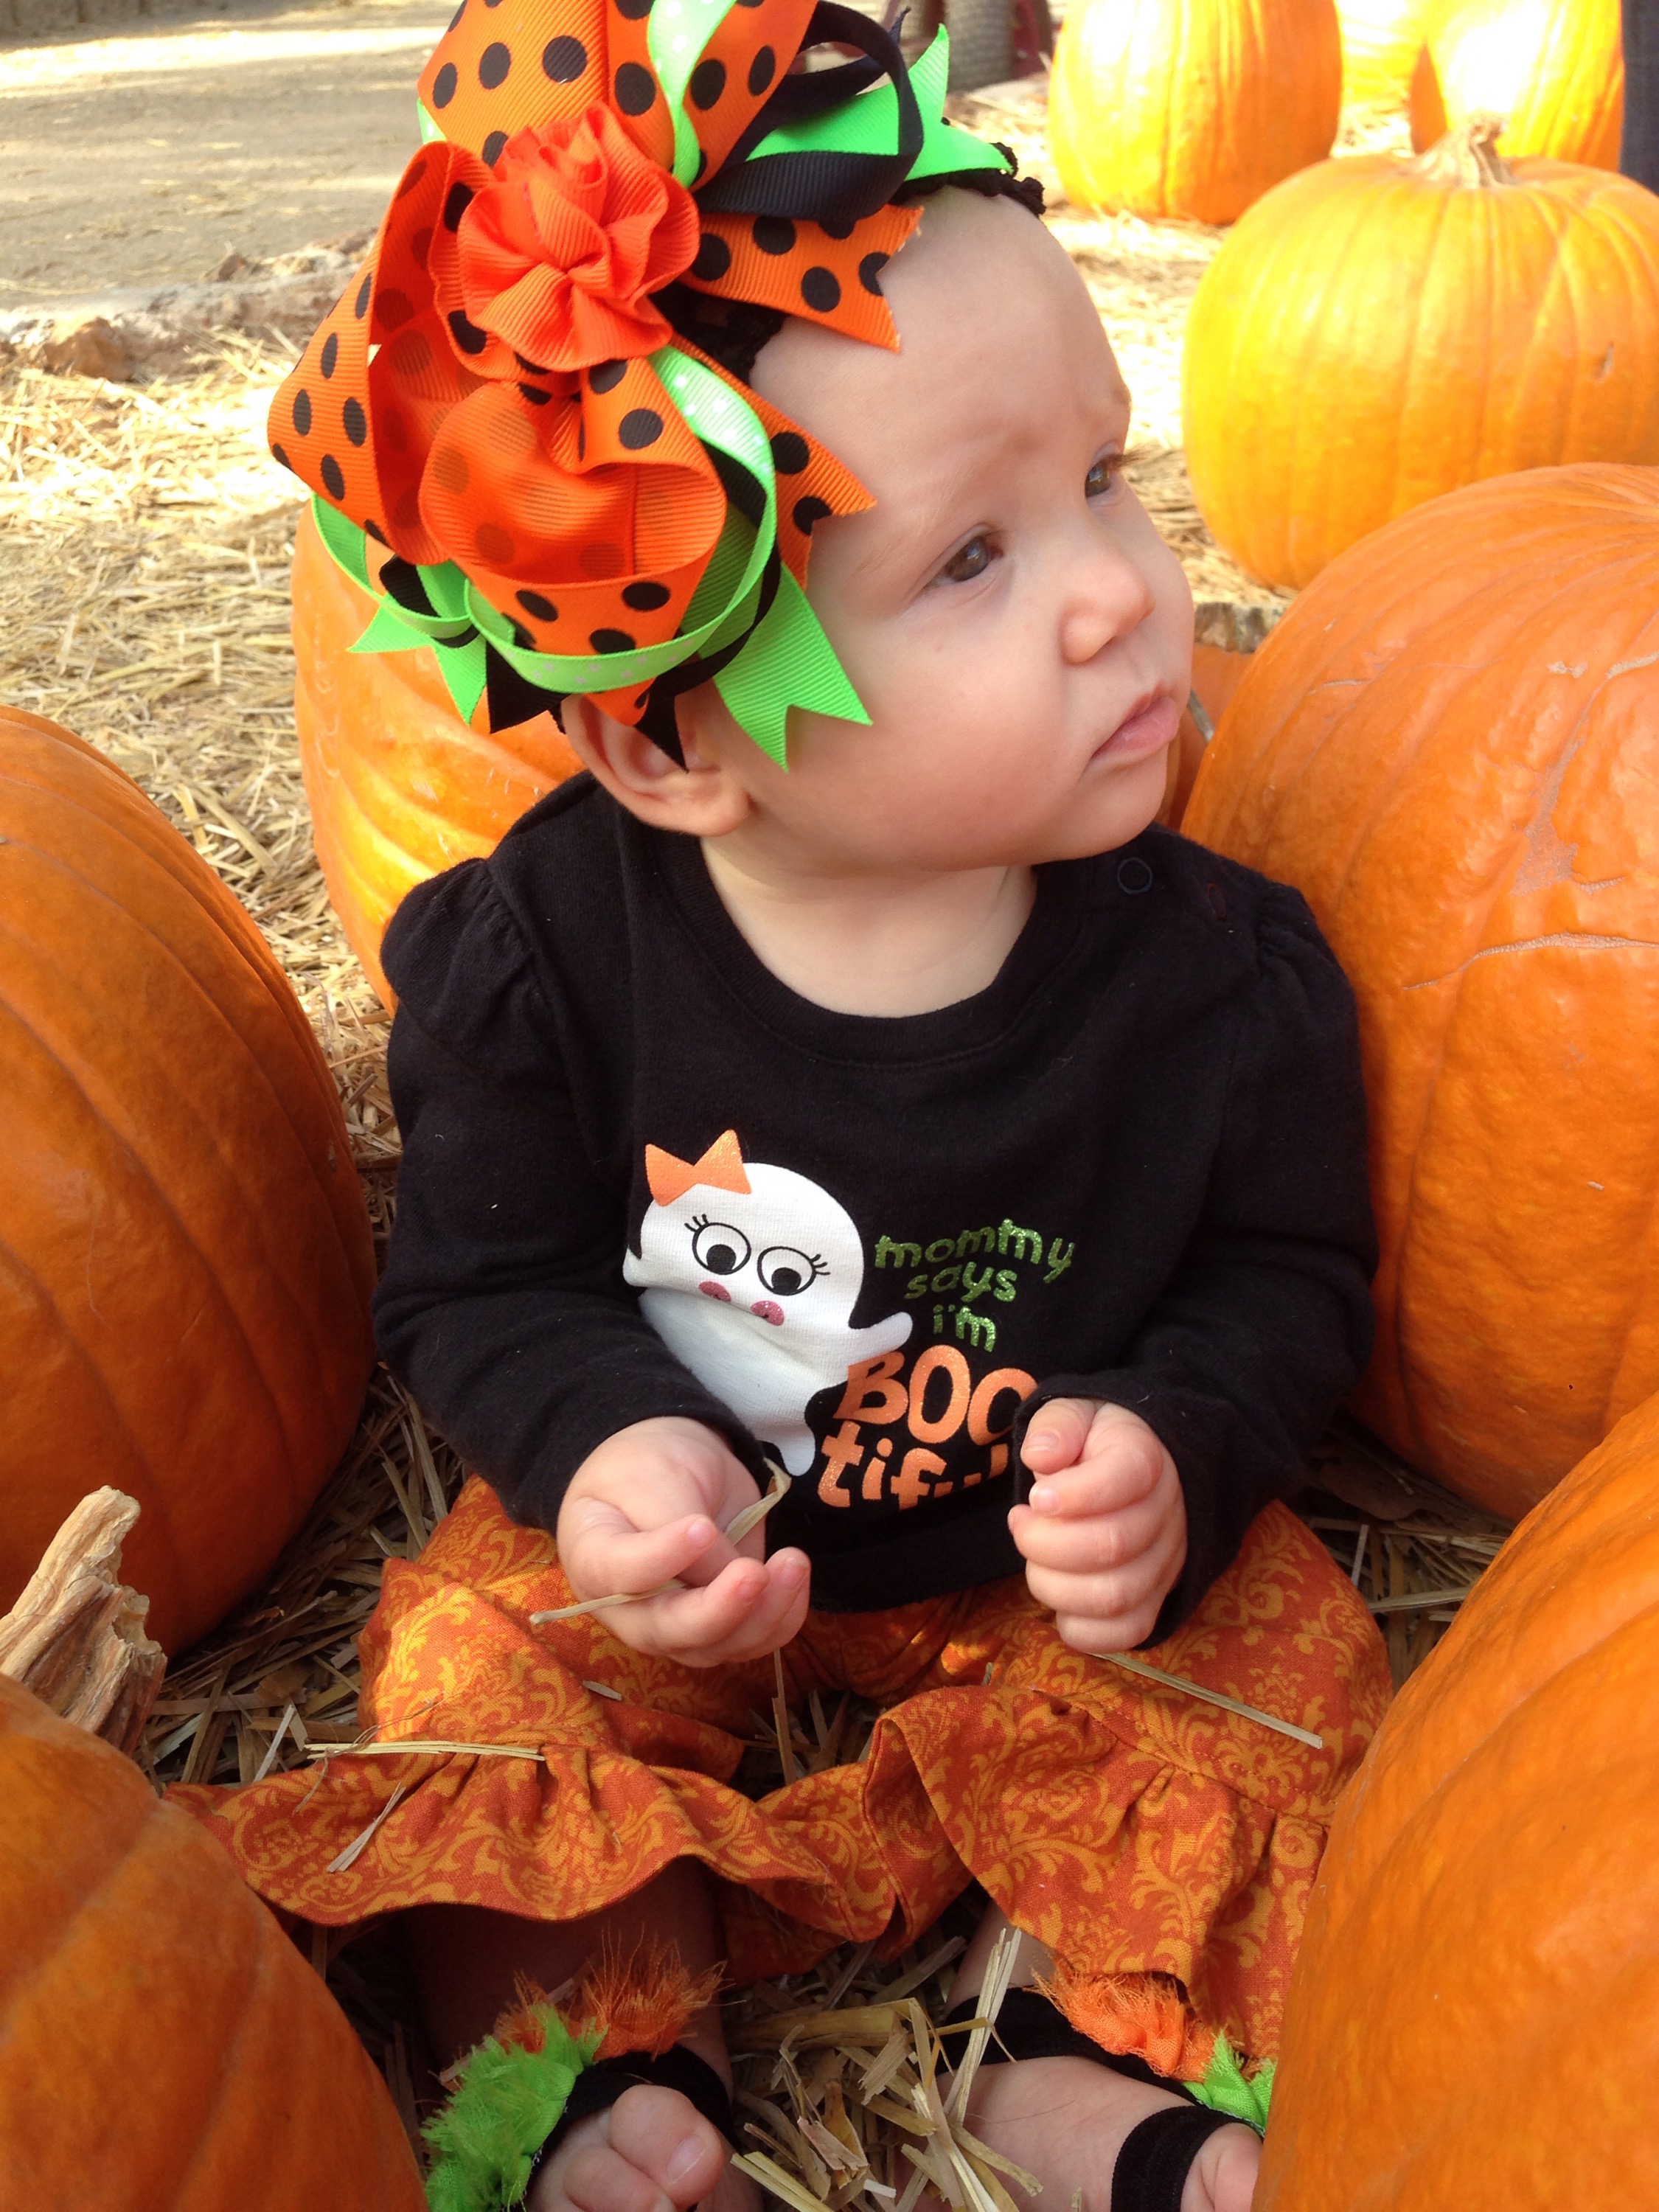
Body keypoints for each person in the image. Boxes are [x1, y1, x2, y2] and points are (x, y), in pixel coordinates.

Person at [176, 5, 1391, 2208]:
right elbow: (476, 1285)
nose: (1119, 590)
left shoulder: (1221, 981)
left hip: (1039, 1589)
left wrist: (1179, 1444)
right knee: (470, 1652)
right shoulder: (543, 964)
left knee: (1284, 1656)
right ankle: (612, 2076)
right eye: (972, 560)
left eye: (1102, 478)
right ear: (667, 742)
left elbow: (1286, 1273)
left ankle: (1067, 2051)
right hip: (687, 1571)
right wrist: (599, 1448)